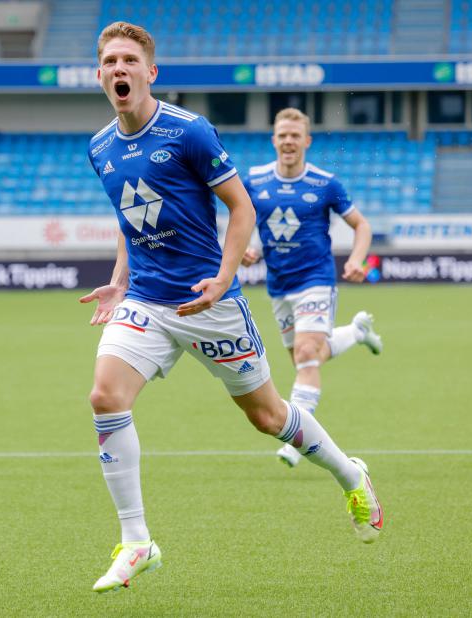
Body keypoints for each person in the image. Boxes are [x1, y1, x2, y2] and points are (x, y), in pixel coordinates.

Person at [81, 22, 384, 594]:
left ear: (150, 72)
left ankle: (351, 474)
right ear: (100, 74)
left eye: (130, 60)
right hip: (146, 300)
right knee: (104, 396)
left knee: (268, 418)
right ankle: (137, 541)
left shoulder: (189, 131)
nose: (120, 69)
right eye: (111, 61)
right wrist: (118, 283)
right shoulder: (99, 148)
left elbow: (241, 208)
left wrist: (223, 279)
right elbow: (127, 219)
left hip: (209, 303)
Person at [241, 108, 383, 469]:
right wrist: (244, 247)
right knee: (308, 358)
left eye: (295, 135)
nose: (288, 141)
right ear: (273, 140)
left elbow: (362, 225)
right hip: (279, 285)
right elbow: (240, 218)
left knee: (306, 353)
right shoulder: (254, 180)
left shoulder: (325, 183)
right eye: (282, 135)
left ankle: (296, 439)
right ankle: (356, 332)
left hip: (316, 280)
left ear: (307, 141)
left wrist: (357, 260)